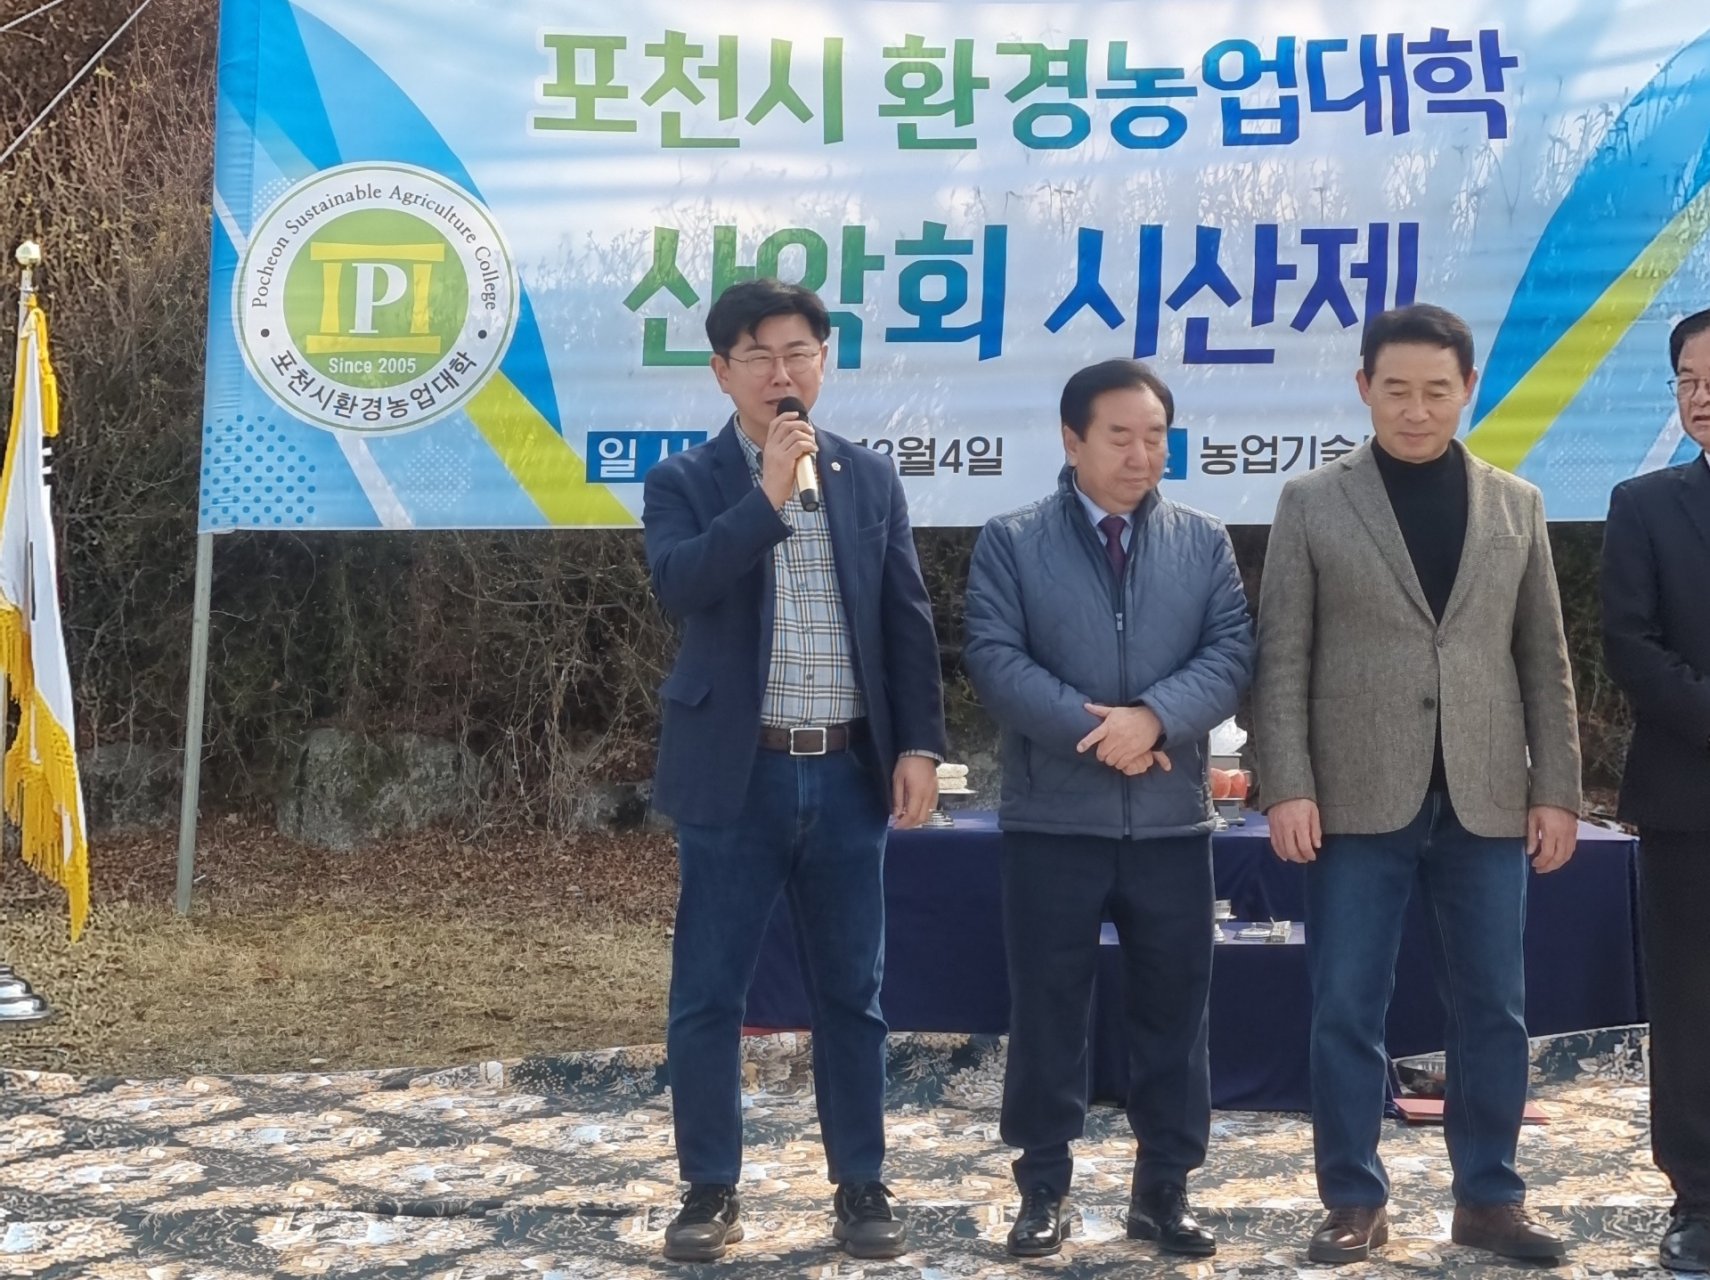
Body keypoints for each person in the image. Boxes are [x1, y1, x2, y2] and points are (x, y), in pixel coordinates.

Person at [1254, 303, 1582, 1264]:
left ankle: (1491, 1198)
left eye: (1437, 390)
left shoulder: (1516, 504)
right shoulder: (1313, 502)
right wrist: (1286, 783)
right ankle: (1353, 1199)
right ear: (1363, 387)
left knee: (1494, 1010)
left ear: (1468, 390)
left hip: (1486, 796)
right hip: (1354, 796)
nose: (1416, 408)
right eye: (1395, 389)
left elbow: (1544, 660)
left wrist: (1556, 788)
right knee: (1346, 1007)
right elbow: (1282, 657)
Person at [641, 277, 947, 1262]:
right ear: (721, 371)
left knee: (853, 992)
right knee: (710, 992)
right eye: (762, 356)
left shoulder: (868, 477)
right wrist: (767, 494)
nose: (783, 373)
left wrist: (918, 745)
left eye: (800, 353)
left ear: (824, 363)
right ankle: (709, 1188)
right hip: (739, 776)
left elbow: (907, 621)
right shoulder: (685, 479)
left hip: (848, 771)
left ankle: (860, 1181)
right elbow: (680, 582)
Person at [963, 358, 1255, 1259]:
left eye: (1155, 436)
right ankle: (1042, 1187)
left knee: (1176, 1010)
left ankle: (1164, 1189)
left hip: (1170, 822)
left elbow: (1231, 651)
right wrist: (1104, 733)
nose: (1141, 455)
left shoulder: (1203, 541)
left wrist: (1155, 719)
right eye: (1120, 436)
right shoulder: (1012, 540)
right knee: (1048, 1009)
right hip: (1053, 821)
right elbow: (995, 659)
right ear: (1072, 440)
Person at [1600, 307, 1710, 1273]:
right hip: (1689, 800)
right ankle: (1699, 1197)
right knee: (1690, 1009)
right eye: (1688, 379)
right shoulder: (1645, 504)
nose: (1701, 396)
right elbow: (1631, 644)